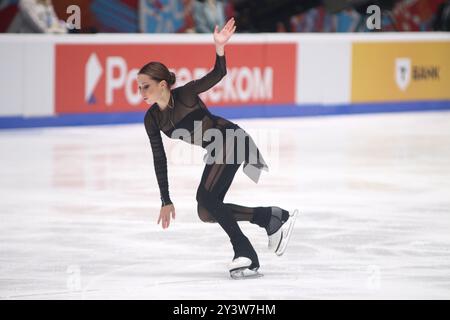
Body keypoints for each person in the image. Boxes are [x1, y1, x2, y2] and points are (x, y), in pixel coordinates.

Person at [138, 17, 298, 279]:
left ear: (162, 85)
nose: (141, 91)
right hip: (218, 147)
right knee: (206, 211)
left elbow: (218, 74)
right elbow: (159, 158)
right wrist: (165, 199)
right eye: (139, 86)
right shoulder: (151, 119)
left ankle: (245, 253)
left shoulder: (186, 95)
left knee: (208, 199)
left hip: (231, 138)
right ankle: (270, 217)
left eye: (145, 85)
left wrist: (219, 47)